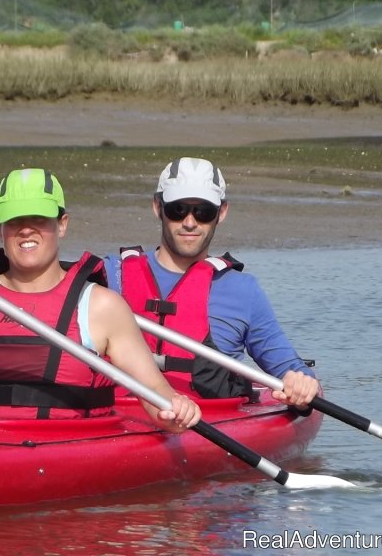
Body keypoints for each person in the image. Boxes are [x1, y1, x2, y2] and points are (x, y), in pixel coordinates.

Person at [0, 167, 201, 432]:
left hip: (69, 444)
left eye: (39, 220)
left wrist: (176, 412)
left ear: (62, 224)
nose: (26, 231)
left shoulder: (102, 307)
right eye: (15, 221)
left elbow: (156, 397)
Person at [104, 157, 320, 408]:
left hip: (209, 420)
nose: (189, 222)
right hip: (119, 418)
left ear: (222, 212)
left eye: (204, 212)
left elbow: (289, 369)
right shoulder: (111, 275)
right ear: (157, 207)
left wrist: (303, 386)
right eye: (177, 209)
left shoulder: (243, 291)